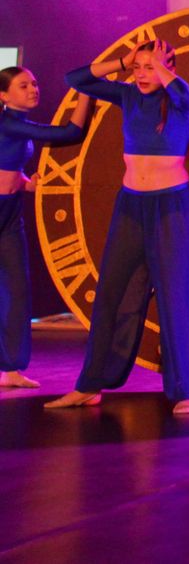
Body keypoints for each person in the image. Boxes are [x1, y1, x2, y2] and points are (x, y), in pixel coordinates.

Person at [47, 41, 189, 414]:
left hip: (170, 207)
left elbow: (184, 93)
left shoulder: (179, 99)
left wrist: (160, 66)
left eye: (151, 67)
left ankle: (188, 391)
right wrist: (122, 61)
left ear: (168, 68)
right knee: (111, 294)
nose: (142, 74)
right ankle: (90, 385)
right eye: (138, 68)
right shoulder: (128, 95)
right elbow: (76, 79)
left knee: (175, 297)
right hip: (131, 205)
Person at [0, 67, 91, 389]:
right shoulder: (9, 123)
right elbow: (69, 133)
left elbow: (7, 166)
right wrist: (86, 92)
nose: (33, 89)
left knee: (17, 290)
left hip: (10, 213)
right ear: (3, 95)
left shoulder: (17, 124)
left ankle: (10, 369)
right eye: (23, 85)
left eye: (35, 83)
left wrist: (26, 183)